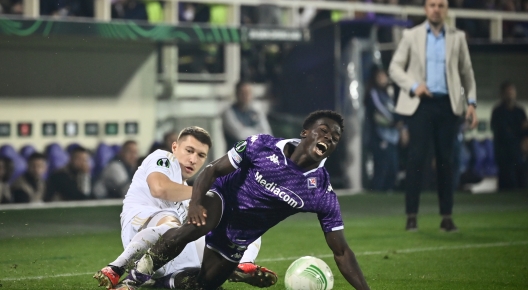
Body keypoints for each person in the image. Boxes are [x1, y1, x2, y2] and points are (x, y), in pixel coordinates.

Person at [125, 110, 370, 290]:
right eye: (324, 131)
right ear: (305, 132)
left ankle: (158, 286)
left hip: (240, 235)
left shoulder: (320, 191)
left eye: (335, 138)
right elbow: (211, 170)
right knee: (196, 226)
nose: (329, 138)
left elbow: (341, 251)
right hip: (222, 198)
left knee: (203, 286)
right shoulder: (262, 145)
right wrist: (197, 202)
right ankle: (134, 278)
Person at [94, 127, 276, 290]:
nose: (193, 159)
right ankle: (117, 267)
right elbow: (160, 189)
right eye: (189, 151)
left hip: (165, 251)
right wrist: (204, 194)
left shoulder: (189, 196)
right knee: (171, 221)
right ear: (174, 147)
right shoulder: (163, 158)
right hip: (139, 229)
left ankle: (240, 265)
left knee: (240, 223)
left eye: (201, 155)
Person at [388, 0, 478, 232]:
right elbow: (395, 67)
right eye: (432, 5)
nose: (436, 9)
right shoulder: (412, 35)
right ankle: (411, 217)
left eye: (441, 5)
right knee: (416, 160)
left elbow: (467, 72)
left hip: (448, 106)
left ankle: (446, 217)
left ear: (446, 10)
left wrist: (471, 102)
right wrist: (414, 85)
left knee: (447, 162)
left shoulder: (457, 37)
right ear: (426, 8)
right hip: (421, 105)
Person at [364, 66, 401, 191]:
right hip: (380, 136)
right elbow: (380, 110)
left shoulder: (388, 93)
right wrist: (395, 121)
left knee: (392, 168)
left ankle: (386, 193)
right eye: (380, 76)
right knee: (381, 168)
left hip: (391, 137)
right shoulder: (373, 93)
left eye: (384, 76)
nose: (383, 79)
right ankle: (376, 194)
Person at [491, 81, 528, 190]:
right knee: (507, 181)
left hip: (519, 152)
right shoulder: (498, 112)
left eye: (512, 92)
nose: (510, 95)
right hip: (504, 152)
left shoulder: (520, 111)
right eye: (507, 92)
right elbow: (503, 132)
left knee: (521, 180)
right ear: (502, 94)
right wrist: (519, 129)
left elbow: (525, 129)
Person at [222, 81, 272, 151]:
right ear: (236, 94)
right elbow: (240, 135)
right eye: (242, 93)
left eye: (248, 93)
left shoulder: (256, 111)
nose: (245, 96)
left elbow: (267, 134)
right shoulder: (228, 112)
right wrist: (258, 133)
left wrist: (245, 129)